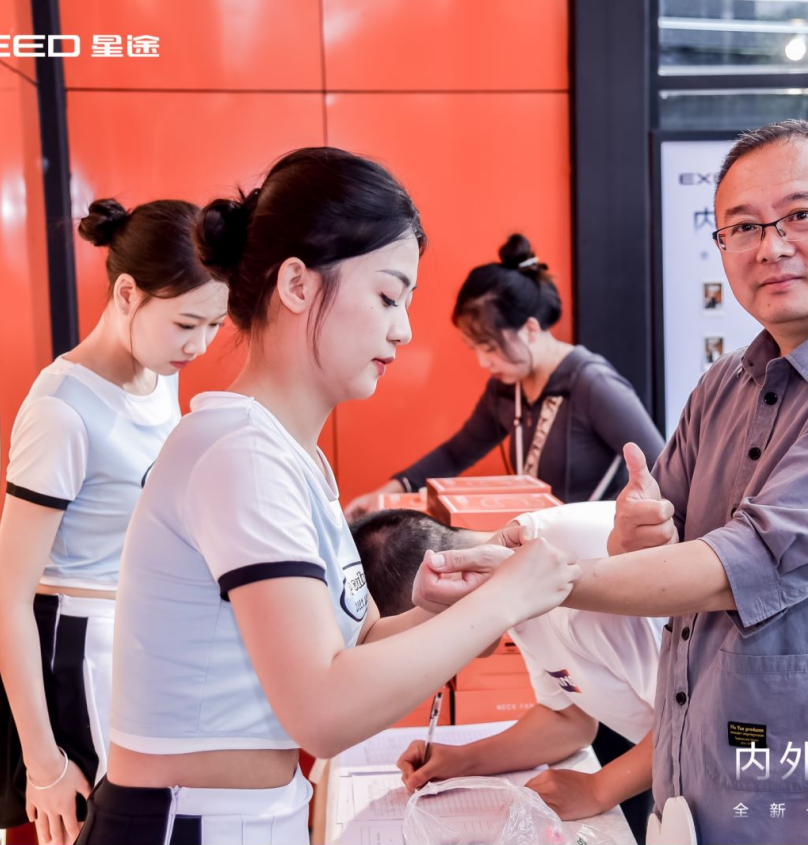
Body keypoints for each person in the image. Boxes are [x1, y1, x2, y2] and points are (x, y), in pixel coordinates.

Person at [421, 120, 808, 844]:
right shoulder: (725, 385)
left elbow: (745, 564)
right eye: (742, 227)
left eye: (801, 215)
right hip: (710, 793)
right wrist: (635, 534)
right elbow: (659, 544)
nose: (770, 246)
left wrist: (533, 581)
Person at [75, 148, 579, 844]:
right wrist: (506, 599)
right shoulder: (241, 455)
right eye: (388, 296)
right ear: (297, 285)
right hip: (188, 823)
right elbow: (323, 710)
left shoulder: (289, 454)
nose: (403, 328)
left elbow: (358, 643)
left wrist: (452, 602)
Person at [0, 199, 228, 845]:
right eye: (186, 323)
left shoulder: (158, 375)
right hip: (83, 652)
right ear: (127, 294)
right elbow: (9, 595)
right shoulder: (63, 410)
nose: (198, 345)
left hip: (144, 636)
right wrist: (45, 764)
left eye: (215, 325)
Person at [351, 502, 661, 837]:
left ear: (442, 584)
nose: (440, 666)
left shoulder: (578, 583)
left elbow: (692, 716)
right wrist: (462, 760)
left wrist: (598, 789)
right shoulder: (519, 580)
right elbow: (569, 720)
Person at [345, 234, 663, 517]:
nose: (483, 362)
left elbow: (661, 468)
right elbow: (455, 454)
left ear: (530, 329)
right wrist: (386, 494)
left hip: (598, 545)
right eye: (475, 349)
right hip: (544, 541)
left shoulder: (591, 382)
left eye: (490, 347)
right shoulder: (506, 389)